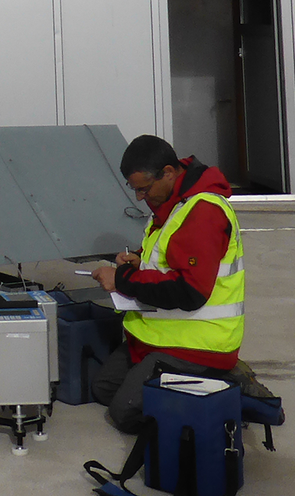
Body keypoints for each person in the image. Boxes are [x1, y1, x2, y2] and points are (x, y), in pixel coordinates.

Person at [90, 134, 246, 434]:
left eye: (144, 189)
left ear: (169, 173)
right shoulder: (174, 204)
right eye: (135, 190)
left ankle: (223, 393)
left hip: (198, 346)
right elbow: (166, 260)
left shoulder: (203, 213)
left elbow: (189, 292)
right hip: (157, 337)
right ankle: (194, 394)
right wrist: (138, 261)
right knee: (104, 390)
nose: (140, 198)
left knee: (124, 413)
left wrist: (122, 279)